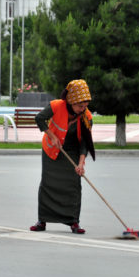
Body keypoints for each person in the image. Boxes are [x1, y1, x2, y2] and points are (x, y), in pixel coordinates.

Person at [30, 79, 95, 234]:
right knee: (47, 184)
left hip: (72, 152)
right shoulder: (56, 106)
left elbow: (85, 143)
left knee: (73, 187)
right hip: (52, 150)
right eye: (80, 106)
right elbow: (39, 118)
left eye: (85, 106)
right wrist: (52, 136)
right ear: (71, 101)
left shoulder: (87, 117)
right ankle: (42, 221)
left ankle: (74, 222)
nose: (83, 109)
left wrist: (81, 163)